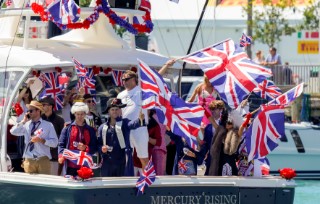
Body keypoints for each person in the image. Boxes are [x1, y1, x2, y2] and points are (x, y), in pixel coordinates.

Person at [97, 98, 145, 177]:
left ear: (120, 111)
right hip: (107, 162)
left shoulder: (125, 123)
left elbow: (133, 124)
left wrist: (140, 120)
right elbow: (98, 144)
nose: (115, 111)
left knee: (124, 185)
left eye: (117, 109)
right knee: (107, 185)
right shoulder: (102, 127)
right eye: (112, 109)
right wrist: (102, 148)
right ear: (108, 111)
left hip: (123, 161)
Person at [10, 100, 58, 174]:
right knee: (29, 185)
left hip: (43, 160)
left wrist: (41, 140)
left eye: (31, 110)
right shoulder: (26, 124)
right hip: (29, 160)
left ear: (38, 111)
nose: (29, 112)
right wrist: (23, 121)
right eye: (28, 110)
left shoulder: (48, 125)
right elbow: (12, 131)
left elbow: (55, 143)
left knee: (44, 184)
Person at [117, 70, 149, 170]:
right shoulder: (120, 95)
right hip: (125, 129)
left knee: (143, 158)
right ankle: (127, 180)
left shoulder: (142, 91)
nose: (124, 81)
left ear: (134, 79)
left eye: (127, 79)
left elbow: (153, 80)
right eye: (123, 79)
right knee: (126, 157)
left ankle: (148, 179)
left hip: (139, 127)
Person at [58, 102, 98, 176]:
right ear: (74, 114)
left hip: (85, 165)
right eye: (78, 114)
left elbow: (95, 147)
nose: (80, 116)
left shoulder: (91, 130)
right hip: (70, 164)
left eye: (82, 114)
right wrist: (61, 156)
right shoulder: (67, 128)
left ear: (85, 114)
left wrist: (85, 148)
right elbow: (61, 144)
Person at [40, 96, 65, 175]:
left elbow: (62, 138)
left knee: (56, 179)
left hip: (54, 156)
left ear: (50, 106)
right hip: (42, 156)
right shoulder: (40, 119)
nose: (42, 107)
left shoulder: (59, 120)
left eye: (44, 105)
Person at [133, 110, 162, 175]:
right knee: (130, 182)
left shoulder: (154, 124)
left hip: (145, 159)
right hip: (132, 159)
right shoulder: (133, 121)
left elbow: (158, 142)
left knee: (145, 181)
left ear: (149, 111)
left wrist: (146, 137)